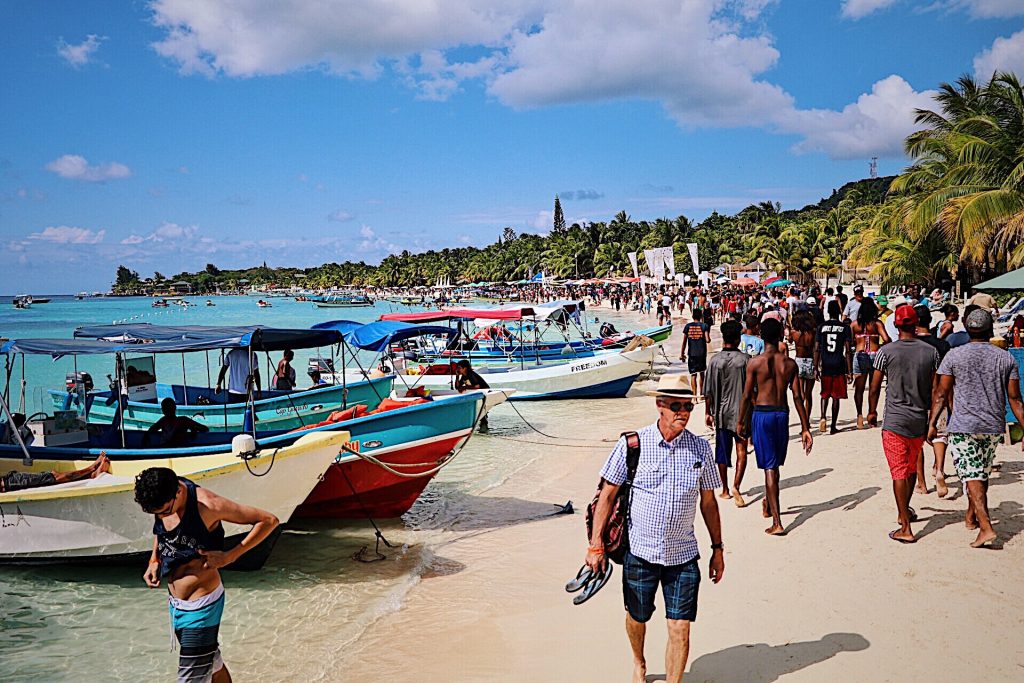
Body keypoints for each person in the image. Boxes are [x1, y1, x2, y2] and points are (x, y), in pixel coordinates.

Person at [585, 375, 724, 683]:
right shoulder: (633, 445)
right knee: (638, 617)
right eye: (676, 406)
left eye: (688, 406)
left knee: (680, 626)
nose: (683, 413)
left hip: (684, 555)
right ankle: (639, 662)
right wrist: (596, 545)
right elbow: (607, 495)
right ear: (659, 405)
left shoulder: (701, 449)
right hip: (640, 552)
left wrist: (718, 549)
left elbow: (709, 503)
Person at [136, 467, 280, 683]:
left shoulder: (209, 505)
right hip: (177, 606)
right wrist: (154, 559)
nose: (162, 515)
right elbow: (161, 529)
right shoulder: (163, 497)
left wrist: (230, 556)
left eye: (165, 510)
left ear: (177, 492)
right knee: (213, 665)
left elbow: (268, 521)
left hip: (201, 605)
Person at [929, 309, 1024, 548]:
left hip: (963, 424)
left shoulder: (953, 356)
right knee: (981, 471)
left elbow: (941, 393)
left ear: (966, 328)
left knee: (971, 474)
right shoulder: (1005, 358)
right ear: (990, 330)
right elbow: (1015, 399)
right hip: (993, 425)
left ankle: (986, 527)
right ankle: (972, 516)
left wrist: (932, 423)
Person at [867, 305, 939, 544]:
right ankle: (904, 511)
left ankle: (905, 525)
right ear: (916, 323)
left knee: (899, 471)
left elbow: (875, 385)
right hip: (919, 419)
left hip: (895, 420)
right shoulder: (930, 352)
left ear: (896, 325)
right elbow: (936, 389)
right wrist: (933, 420)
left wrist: (871, 411)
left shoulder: (886, 352)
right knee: (909, 469)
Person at [736, 318, 814, 535]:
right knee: (775, 465)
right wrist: (805, 427)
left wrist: (741, 421)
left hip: (762, 415)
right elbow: (798, 397)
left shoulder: (755, 363)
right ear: (781, 335)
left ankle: (778, 522)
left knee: (770, 467)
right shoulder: (789, 364)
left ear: (761, 335)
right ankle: (769, 505)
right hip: (782, 414)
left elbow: (745, 396)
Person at [705, 320, 750, 508]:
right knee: (741, 450)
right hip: (741, 414)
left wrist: (708, 412)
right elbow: (751, 391)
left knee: (722, 453)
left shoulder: (714, 361)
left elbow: (708, 392)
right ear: (739, 338)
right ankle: (736, 485)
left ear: (723, 338)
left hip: (721, 414)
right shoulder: (746, 360)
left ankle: (724, 489)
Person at [913, 304, 951, 497]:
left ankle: (921, 483)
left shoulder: (911, 344)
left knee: (917, 441)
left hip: (917, 396)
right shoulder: (943, 345)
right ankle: (939, 470)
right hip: (941, 396)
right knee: (940, 435)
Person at [815, 300, 853, 435]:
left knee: (825, 394)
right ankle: (833, 426)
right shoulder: (845, 328)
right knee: (836, 396)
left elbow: (817, 348)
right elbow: (848, 351)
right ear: (839, 311)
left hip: (825, 363)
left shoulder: (821, 327)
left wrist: (815, 367)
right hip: (839, 364)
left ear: (828, 312)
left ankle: (823, 417)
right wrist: (849, 371)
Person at [851, 297, 890, 429]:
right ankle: (872, 414)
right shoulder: (877, 324)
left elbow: (850, 342)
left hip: (859, 354)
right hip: (875, 355)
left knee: (859, 388)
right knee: (874, 388)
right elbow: (886, 339)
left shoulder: (855, 324)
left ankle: (859, 415)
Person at [1, 452, 110, 493]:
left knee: (52, 477)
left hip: (9, 480)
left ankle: (91, 473)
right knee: (53, 477)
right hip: (9, 483)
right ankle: (91, 470)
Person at [144, 398, 210, 448]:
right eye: (166, 408)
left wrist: (194, 428)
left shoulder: (183, 420)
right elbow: (151, 430)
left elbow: (205, 428)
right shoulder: (163, 421)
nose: (167, 410)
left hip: (175, 448)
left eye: (168, 408)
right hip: (167, 448)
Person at [790, 309, 817, 424]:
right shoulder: (813, 332)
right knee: (808, 394)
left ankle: (803, 421)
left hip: (799, 361)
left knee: (800, 394)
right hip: (810, 360)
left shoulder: (794, 333)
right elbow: (816, 348)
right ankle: (807, 417)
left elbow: (790, 340)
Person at [680, 309, 712, 401]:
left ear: (692, 316)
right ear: (701, 316)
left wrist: (682, 354)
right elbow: (707, 340)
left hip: (692, 354)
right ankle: (701, 395)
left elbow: (684, 342)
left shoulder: (688, 326)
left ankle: (694, 397)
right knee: (702, 374)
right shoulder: (704, 326)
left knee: (693, 375)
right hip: (701, 353)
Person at [455, 359, 490, 432]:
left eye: (459, 367)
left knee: (482, 411)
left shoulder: (471, 374)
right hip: (477, 394)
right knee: (479, 412)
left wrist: (465, 387)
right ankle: (482, 427)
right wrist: (457, 377)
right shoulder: (464, 376)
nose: (458, 369)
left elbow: (477, 386)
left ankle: (484, 429)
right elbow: (457, 387)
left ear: (465, 368)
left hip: (484, 392)